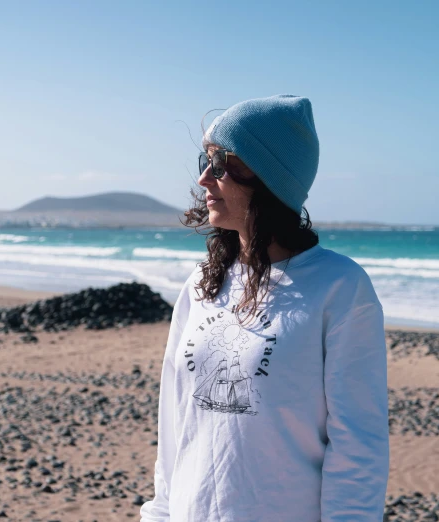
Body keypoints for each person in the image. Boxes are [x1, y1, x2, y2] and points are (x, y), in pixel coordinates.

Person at [140, 95, 389, 521]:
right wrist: (159, 514)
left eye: (221, 164)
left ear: (269, 178)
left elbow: (358, 445)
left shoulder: (339, 288)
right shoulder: (202, 282)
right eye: (206, 160)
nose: (204, 178)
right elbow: (174, 423)